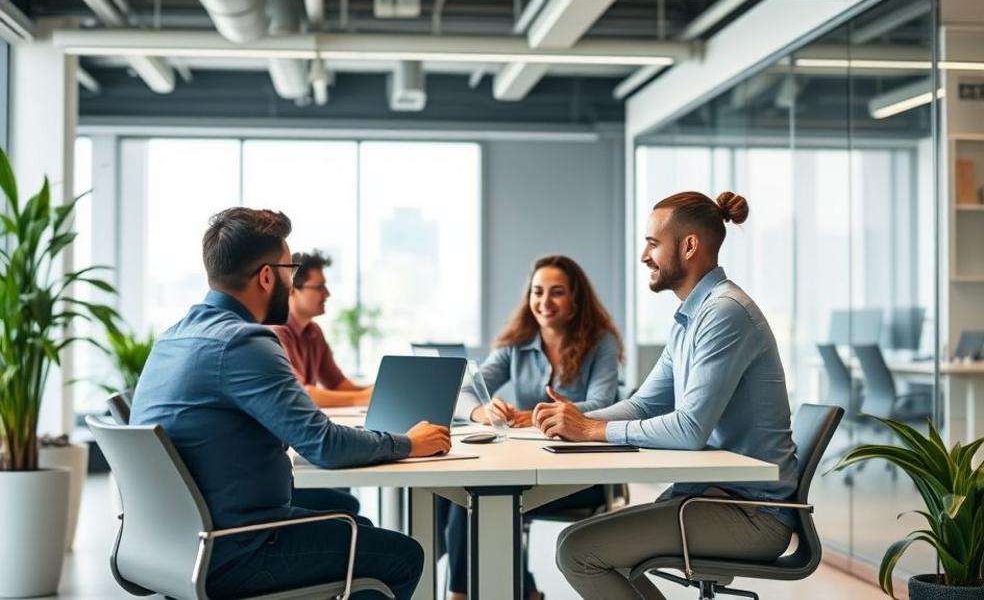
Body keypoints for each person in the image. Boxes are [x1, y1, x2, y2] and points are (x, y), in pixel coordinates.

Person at [130, 207, 450, 600]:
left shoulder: (172, 338)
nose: (291, 280)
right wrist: (410, 443)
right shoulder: (244, 342)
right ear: (267, 276)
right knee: (403, 556)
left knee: (354, 522)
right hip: (238, 549)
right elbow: (324, 446)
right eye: (289, 269)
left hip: (177, 547)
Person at [533, 192, 798, 600]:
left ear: (689, 246)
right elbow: (645, 403)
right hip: (710, 497)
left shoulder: (725, 312)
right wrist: (573, 423)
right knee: (591, 547)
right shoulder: (691, 317)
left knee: (577, 551)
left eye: (653, 243)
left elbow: (690, 428)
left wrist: (593, 429)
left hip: (751, 513)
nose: (644, 256)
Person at [445, 255, 623, 600]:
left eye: (557, 292)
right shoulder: (517, 344)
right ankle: (511, 590)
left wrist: (552, 414)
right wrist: (482, 410)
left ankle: (467, 594)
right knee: (462, 493)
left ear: (576, 300)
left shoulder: (601, 344)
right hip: (525, 467)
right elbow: (462, 391)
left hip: (583, 475)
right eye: (537, 292)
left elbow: (605, 406)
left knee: (470, 498)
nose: (544, 302)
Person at [272, 250, 374, 408]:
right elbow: (301, 394)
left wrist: (376, 391)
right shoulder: (276, 332)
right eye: (319, 287)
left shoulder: (313, 331)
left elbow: (338, 384)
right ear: (291, 289)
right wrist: (360, 398)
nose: (327, 294)